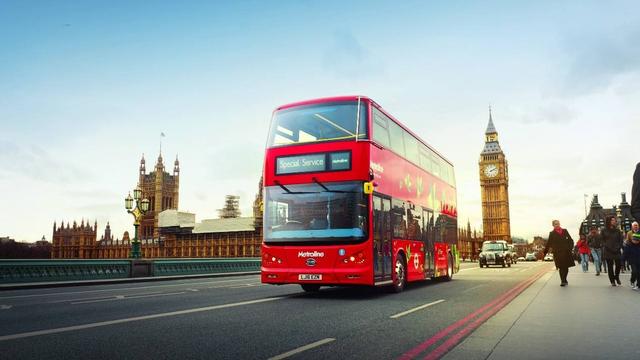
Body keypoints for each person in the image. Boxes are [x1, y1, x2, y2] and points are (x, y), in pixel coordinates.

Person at [544, 220, 575, 286]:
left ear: (559, 224)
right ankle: (563, 281)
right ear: (553, 225)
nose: (557, 225)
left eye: (558, 224)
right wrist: (545, 252)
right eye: (555, 224)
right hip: (558, 253)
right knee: (561, 267)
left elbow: (571, 240)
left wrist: (570, 248)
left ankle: (565, 279)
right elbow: (548, 243)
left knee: (566, 267)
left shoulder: (565, 231)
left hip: (566, 252)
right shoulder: (552, 233)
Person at [602, 215, 624, 286]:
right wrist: (607, 246)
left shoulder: (618, 230)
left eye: (615, 220)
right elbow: (602, 241)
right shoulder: (604, 230)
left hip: (617, 250)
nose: (615, 221)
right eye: (613, 220)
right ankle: (612, 281)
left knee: (618, 265)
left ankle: (616, 277)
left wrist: (618, 247)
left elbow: (621, 240)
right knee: (610, 266)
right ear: (609, 221)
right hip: (608, 250)